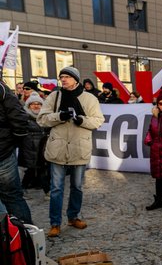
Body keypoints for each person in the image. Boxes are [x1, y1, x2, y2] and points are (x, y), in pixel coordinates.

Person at [37, 66, 104, 237]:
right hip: (57, 149)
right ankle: (55, 223)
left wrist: (80, 119)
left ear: (76, 79)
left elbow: (98, 121)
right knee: (56, 188)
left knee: (77, 187)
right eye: (62, 77)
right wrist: (59, 116)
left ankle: (73, 217)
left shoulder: (89, 98)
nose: (64, 79)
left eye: (67, 76)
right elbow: (42, 119)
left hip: (79, 148)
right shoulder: (54, 96)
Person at [0, 79, 32, 224]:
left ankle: (25, 236)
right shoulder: (2, 89)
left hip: (3, 152)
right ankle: (25, 236)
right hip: (4, 151)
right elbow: (19, 119)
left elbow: (19, 120)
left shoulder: (2, 90)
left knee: (12, 196)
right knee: (12, 196)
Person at [18, 93, 50, 198]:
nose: (36, 106)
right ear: (28, 106)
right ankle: (46, 191)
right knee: (33, 170)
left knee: (40, 169)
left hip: (41, 149)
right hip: (29, 148)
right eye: (33, 104)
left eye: (38, 104)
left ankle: (46, 191)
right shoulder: (24, 118)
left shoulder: (44, 117)